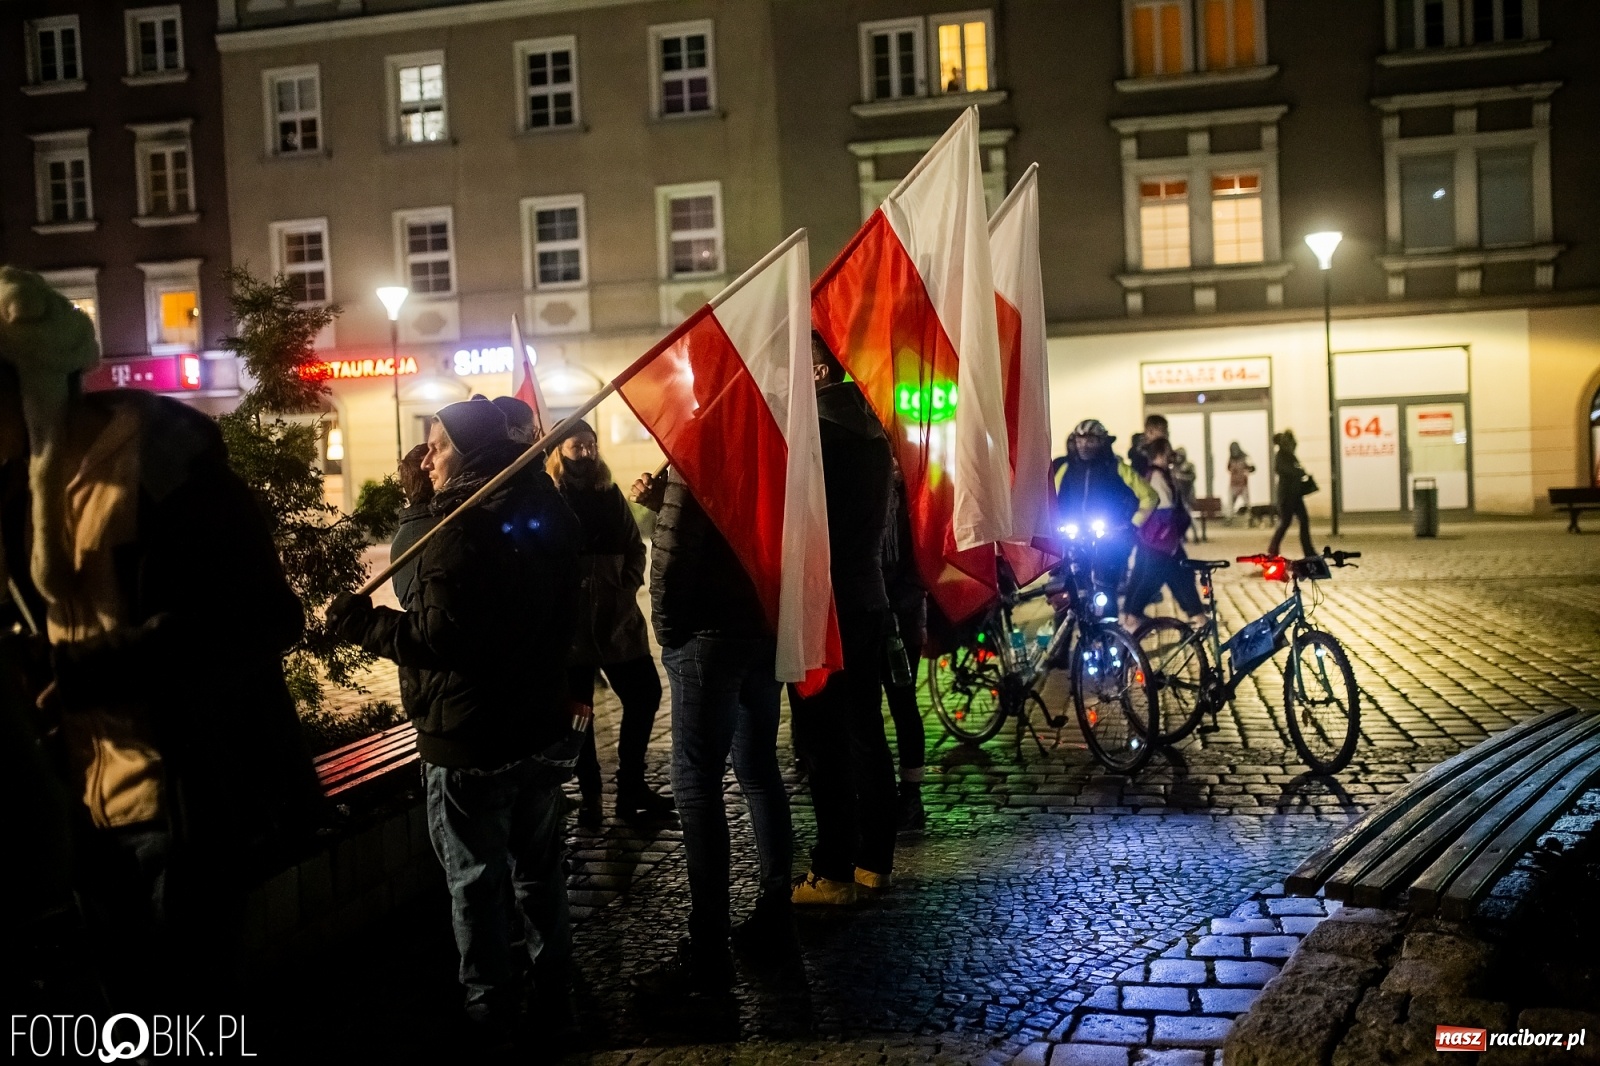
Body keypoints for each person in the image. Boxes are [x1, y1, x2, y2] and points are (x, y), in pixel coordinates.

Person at [0, 266, 321, 1009]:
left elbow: (260, 619)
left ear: (29, 382)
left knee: (192, 1022)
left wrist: (83, 671)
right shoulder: (15, 490)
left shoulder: (165, 466)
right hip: (85, 812)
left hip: (185, 805)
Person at [327, 399, 583, 1042]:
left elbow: (440, 635)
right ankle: (554, 983)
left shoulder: (458, 526)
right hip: (538, 723)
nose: (427, 457)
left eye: (438, 445)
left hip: (471, 737)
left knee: (474, 880)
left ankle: (490, 1007)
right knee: (539, 869)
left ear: (466, 453)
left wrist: (362, 623)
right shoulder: (545, 506)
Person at [629, 462, 794, 992]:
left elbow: (672, 557)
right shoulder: (771, 439)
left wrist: (671, 634)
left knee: (697, 785)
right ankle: (775, 909)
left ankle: (707, 947)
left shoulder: (698, 448)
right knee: (759, 769)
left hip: (708, 638)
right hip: (762, 625)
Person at [790, 332, 896, 906]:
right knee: (866, 733)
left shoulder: (818, 439)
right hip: (866, 596)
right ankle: (874, 862)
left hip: (824, 604)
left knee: (825, 742)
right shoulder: (873, 432)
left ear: (821, 373)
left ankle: (831, 870)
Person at [547, 419, 673, 826]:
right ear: (559, 452)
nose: (585, 454)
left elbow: (635, 547)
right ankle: (590, 792)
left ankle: (631, 785)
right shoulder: (550, 498)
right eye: (576, 447)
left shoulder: (609, 493)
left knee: (645, 695)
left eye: (590, 445)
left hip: (617, 620)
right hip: (571, 628)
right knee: (579, 711)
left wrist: (625, 582)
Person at [1052, 418, 1156, 592]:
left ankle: (1109, 618)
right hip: (1074, 540)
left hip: (1109, 538)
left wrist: (1133, 523)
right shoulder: (1066, 468)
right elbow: (1051, 500)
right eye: (1079, 440)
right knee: (1066, 587)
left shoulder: (1117, 467)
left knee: (1106, 588)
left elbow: (1149, 496)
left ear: (1102, 442)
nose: (1084, 445)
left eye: (1090, 441)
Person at [881, 463, 928, 833]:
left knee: (901, 702)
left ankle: (909, 797)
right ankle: (891, 795)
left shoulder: (910, 500)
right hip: (882, 614)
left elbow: (915, 563)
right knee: (881, 707)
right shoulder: (897, 492)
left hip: (900, 619)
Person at [1122, 438, 1207, 630]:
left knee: (1178, 575)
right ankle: (1133, 617)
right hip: (1163, 540)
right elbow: (1165, 509)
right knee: (1155, 578)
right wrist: (1172, 532)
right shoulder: (1158, 477)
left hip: (1159, 539)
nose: (1171, 454)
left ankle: (1197, 614)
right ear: (1160, 453)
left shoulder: (1158, 474)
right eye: (1168, 450)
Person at [1268, 429, 1318, 559]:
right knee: (1285, 522)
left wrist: (1300, 472)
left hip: (1295, 495)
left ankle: (1308, 551)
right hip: (1287, 496)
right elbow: (1286, 471)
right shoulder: (1281, 455)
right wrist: (1298, 472)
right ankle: (1273, 549)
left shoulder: (1289, 455)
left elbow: (1296, 470)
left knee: (1303, 521)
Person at [1128, 413, 1169, 478]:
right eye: (1162, 430)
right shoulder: (1140, 455)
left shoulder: (1161, 450)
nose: (1166, 434)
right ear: (1150, 432)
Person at [1227, 442, 1255, 520]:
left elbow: (1252, 468)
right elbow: (1228, 468)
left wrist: (1247, 469)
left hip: (1243, 484)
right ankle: (1229, 518)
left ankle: (1250, 517)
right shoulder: (1230, 459)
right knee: (1230, 503)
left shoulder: (1245, 457)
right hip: (1233, 484)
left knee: (1247, 503)